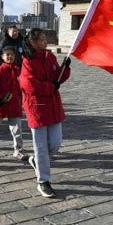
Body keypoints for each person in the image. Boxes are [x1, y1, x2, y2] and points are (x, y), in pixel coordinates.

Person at [19, 28, 71, 198]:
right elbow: (29, 85)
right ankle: (43, 180)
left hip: (53, 105)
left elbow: (57, 78)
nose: (45, 42)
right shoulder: (27, 61)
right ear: (32, 42)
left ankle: (37, 160)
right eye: (41, 39)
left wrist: (65, 68)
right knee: (40, 146)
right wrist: (50, 87)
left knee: (55, 143)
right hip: (37, 107)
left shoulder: (49, 57)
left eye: (45, 38)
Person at [0, 46, 27, 160]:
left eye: (12, 54)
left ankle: (18, 149)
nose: (10, 56)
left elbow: (21, 87)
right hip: (1, 103)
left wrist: (21, 99)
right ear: (2, 57)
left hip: (14, 104)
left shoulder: (17, 70)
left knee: (16, 128)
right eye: (7, 54)